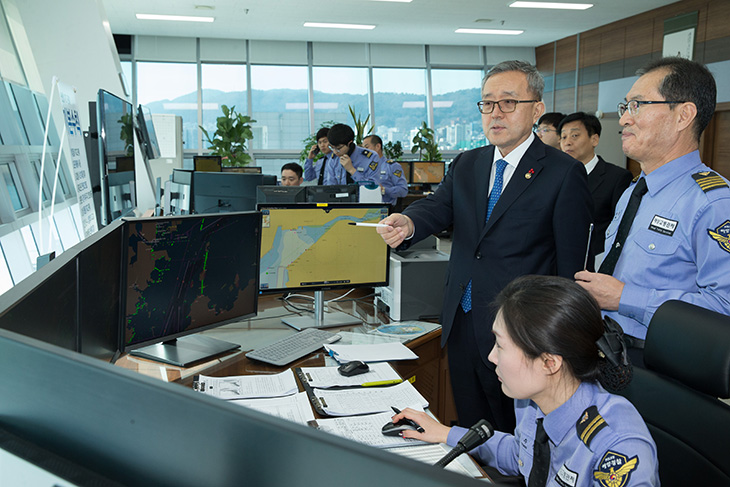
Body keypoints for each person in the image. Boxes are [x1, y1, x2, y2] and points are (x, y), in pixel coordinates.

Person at [377, 60, 593, 432]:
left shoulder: (562, 172)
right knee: (474, 428)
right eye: (487, 103)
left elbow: (571, 268)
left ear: (536, 109)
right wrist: (410, 221)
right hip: (462, 321)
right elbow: (438, 206)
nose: (496, 113)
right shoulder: (467, 163)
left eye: (508, 102)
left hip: (522, 333)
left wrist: (556, 342)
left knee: (518, 433)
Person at [393, 275, 660, 487]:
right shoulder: (532, 402)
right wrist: (446, 433)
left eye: (500, 345)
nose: (491, 356)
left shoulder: (616, 445)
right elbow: (522, 455)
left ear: (549, 363)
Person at [575, 57, 730, 361]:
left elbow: (724, 305)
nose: (623, 120)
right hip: (607, 348)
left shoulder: (712, 202)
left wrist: (625, 298)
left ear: (683, 115)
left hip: (663, 363)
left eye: (638, 105)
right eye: (625, 107)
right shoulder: (635, 190)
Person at [559, 112, 632, 258]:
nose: (567, 142)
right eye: (563, 137)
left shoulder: (617, 177)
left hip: (595, 260)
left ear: (594, 139)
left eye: (574, 135)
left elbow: (622, 229)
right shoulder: (555, 176)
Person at [324, 123, 408, 206]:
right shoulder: (334, 159)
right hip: (342, 208)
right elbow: (331, 188)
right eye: (332, 148)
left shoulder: (370, 158)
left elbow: (372, 187)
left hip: (368, 208)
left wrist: (352, 171)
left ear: (349, 143)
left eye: (338, 148)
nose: (335, 152)